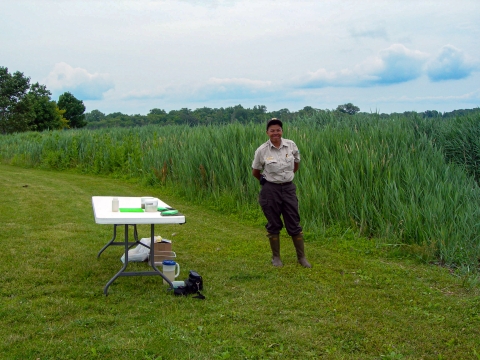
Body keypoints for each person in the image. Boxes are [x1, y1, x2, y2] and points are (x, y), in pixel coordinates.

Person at [251, 118, 311, 268]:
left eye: (278, 130)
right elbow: (255, 171)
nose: (275, 133)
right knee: (273, 222)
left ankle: (301, 258)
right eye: (272, 130)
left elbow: (296, 163)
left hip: (288, 188)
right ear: (267, 132)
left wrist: (288, 178)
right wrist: (267, 182)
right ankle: (276, 258)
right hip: (270, 190)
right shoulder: (262, 150)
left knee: (293, 221)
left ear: (282, 131)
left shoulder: (291, 145)